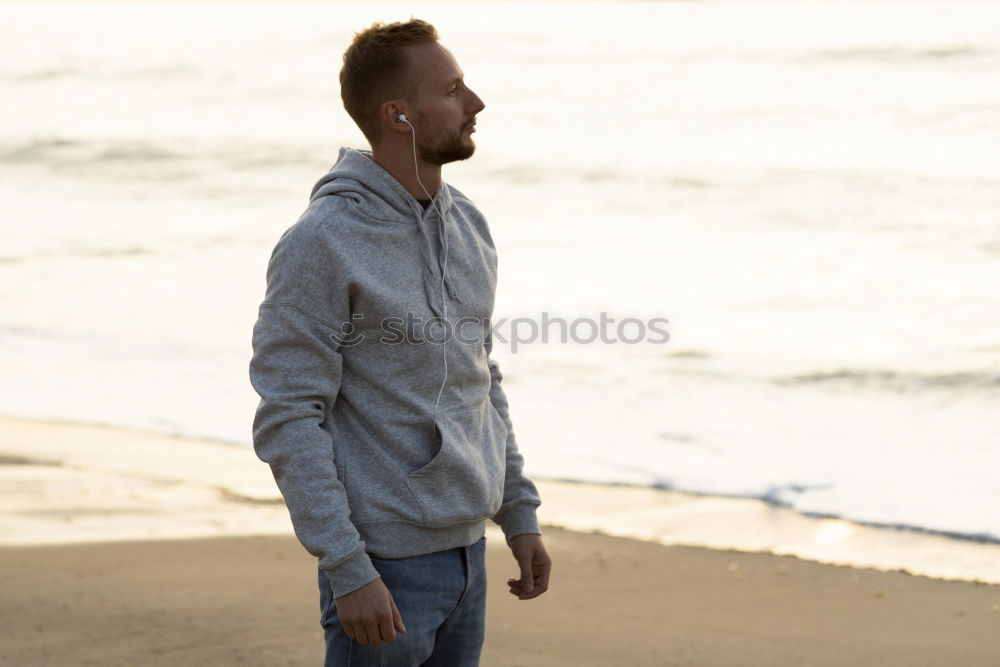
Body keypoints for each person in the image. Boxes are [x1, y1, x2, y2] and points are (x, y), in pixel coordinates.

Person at [248, 17, 552, 666]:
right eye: (454, 90)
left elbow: (479, 377)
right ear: (399, 115)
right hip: (384, 566)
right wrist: (348, 567)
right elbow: (289, 414)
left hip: (469, 554)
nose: (475, 103)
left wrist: (517, 511)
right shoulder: (321, 243)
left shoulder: (469, 225)